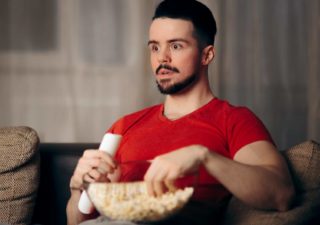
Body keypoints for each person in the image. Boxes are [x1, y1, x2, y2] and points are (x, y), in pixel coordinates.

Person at [67, 0, 295, 225]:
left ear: (207, 55)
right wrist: (79, 189)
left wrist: (202, 156)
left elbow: (281, 194)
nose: (162, 57)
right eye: (155, 47)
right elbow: (75, 222)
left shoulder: (233, 120)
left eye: (176, 46)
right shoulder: (124, 126)